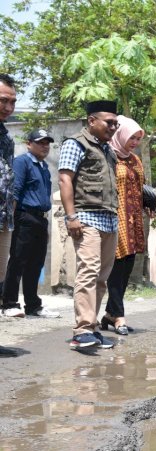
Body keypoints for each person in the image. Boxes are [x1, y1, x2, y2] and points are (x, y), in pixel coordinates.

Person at [58, 100, 120, 350]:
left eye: (116, 123)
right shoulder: (75, 144)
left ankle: (92, 328)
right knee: (89, 272)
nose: (113, 127)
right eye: (109, 122)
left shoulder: (108, 150)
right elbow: (65, 179)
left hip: (108, 220)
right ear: (92, 121)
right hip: (86, 219)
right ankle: (82, 330)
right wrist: (71, 217)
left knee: (102, 278)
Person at [2, 129, 60, 319]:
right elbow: (15, 191)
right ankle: (9, 303)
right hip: (24, 217)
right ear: (29, 143)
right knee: (18, 260)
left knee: (36, 263)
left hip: (41, 219)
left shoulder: (43, 166)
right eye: (40, 142)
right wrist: (11, 220)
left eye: (47, 143)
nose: (45, 146)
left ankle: (33, 305)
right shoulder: (22, 162)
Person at [101, 116, 148, 335]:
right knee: (116, 267)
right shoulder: (108, 157)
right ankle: (118, 315)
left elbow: (142, 186)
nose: (134, 142)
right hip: (116, 217)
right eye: (131, 137)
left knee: (127, 266)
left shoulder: (135, 160)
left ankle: (111, 313)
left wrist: (149, 203)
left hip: (135, 218)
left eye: (138, 139)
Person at [0, 73, 18, 357]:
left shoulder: (6, 137)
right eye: (3, 100)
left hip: (3, 218)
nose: (8, 106)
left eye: (13, 102)